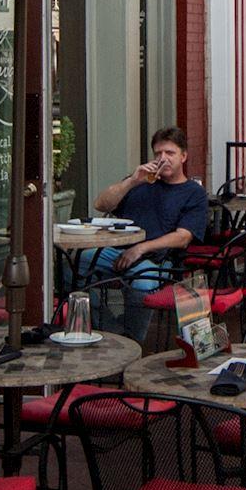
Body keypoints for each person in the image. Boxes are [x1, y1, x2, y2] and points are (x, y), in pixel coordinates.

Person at [87, 126, 211, 339]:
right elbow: (101, 204)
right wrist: (132, 181)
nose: (163, 159)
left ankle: (132, 339)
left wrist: (140, 248)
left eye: (170, 153)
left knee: (143, 282)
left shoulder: (194, 193)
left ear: (183, 156)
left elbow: (183, 237)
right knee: (71, 264)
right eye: (158, 154)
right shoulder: (140, 183)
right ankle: (111, 330)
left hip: (156, 260)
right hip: (115, 252)